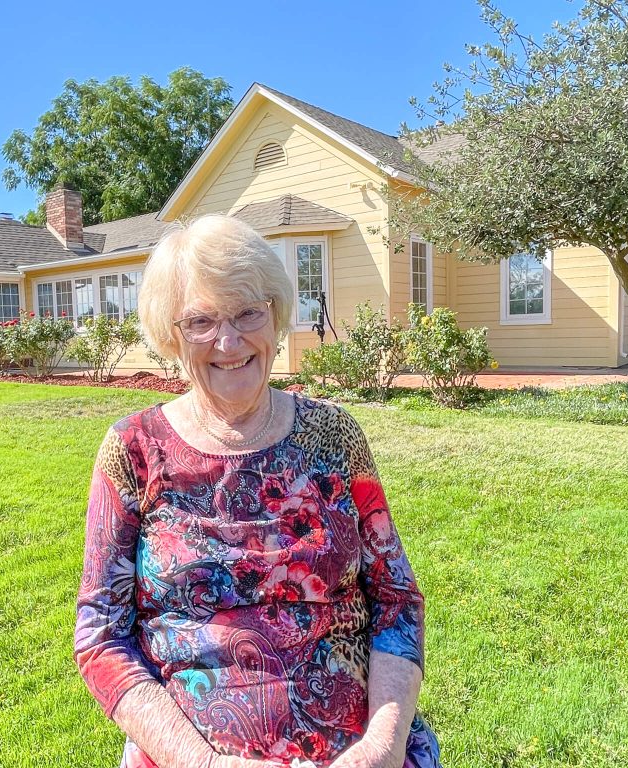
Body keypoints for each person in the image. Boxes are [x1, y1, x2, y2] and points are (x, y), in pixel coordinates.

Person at [75, 215, 441, 768]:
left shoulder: (335, 436)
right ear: (172, 334)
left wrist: (383, 744)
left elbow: (397, 601)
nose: (229, 340)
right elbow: (101, 636)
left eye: (248, 311)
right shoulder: (134, 450)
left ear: (275, 315)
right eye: (201, 321)